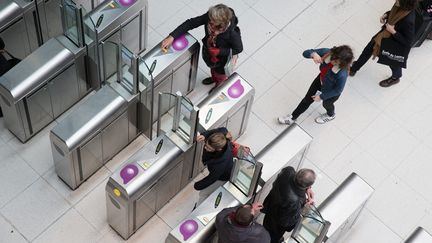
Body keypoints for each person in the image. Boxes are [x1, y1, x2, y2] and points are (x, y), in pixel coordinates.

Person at [161, 4, 243, 93]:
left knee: (220, 75)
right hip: (210, 54)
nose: (209, 23)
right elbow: (190, 23)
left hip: (222, 61)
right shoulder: (210, 17)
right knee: (213, 70)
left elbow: (238, 49)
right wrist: (172, 36)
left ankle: (219, 86)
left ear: (221, 26)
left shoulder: (233, 34)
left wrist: (220, 51)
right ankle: (213, 78)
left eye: (212, 24)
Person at [278, 45, 354, 125]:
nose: (332, 61)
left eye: (336, 62)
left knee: (326, 104)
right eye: (333, 58)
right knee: (307, 100)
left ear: (342, 63)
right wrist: (313, 54)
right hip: (320, 80)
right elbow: (305, 53)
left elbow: (338, 90)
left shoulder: (342, 74)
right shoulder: (327, 52)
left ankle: (330, 115)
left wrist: (322, 96)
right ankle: (292, 118)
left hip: (330, 91)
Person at [350, 0, 418, 87]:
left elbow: (408, 42)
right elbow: (395, 13)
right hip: (384, 34)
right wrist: (386, 15)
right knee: (369, 48)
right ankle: (354, 68)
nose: (395, 1)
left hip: (394, 41)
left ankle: (395, 77)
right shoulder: (400, 5)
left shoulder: (409, 20)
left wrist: (393, 31)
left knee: (393, 63)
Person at [261, 167, 316, 243]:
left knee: (265, 227)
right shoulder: (297, 202)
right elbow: (288, 226)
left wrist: (307, 189)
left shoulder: (287, 171)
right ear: (307, 185)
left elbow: (295, 176)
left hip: (270, 208)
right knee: (272, 238)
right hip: (276, 226)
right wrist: (304, 208)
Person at [194, 127, 233, 204]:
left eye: (208, 148)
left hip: (223, 177)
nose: (205, 148)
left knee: (203, 193)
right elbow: (222, 129)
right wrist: (204, 136)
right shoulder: (219, 137)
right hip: (221, 169)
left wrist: (197, 185)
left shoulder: (220, 164)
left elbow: (212, 178)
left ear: (219, 149)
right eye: (206, 144)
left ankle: (197, 209)